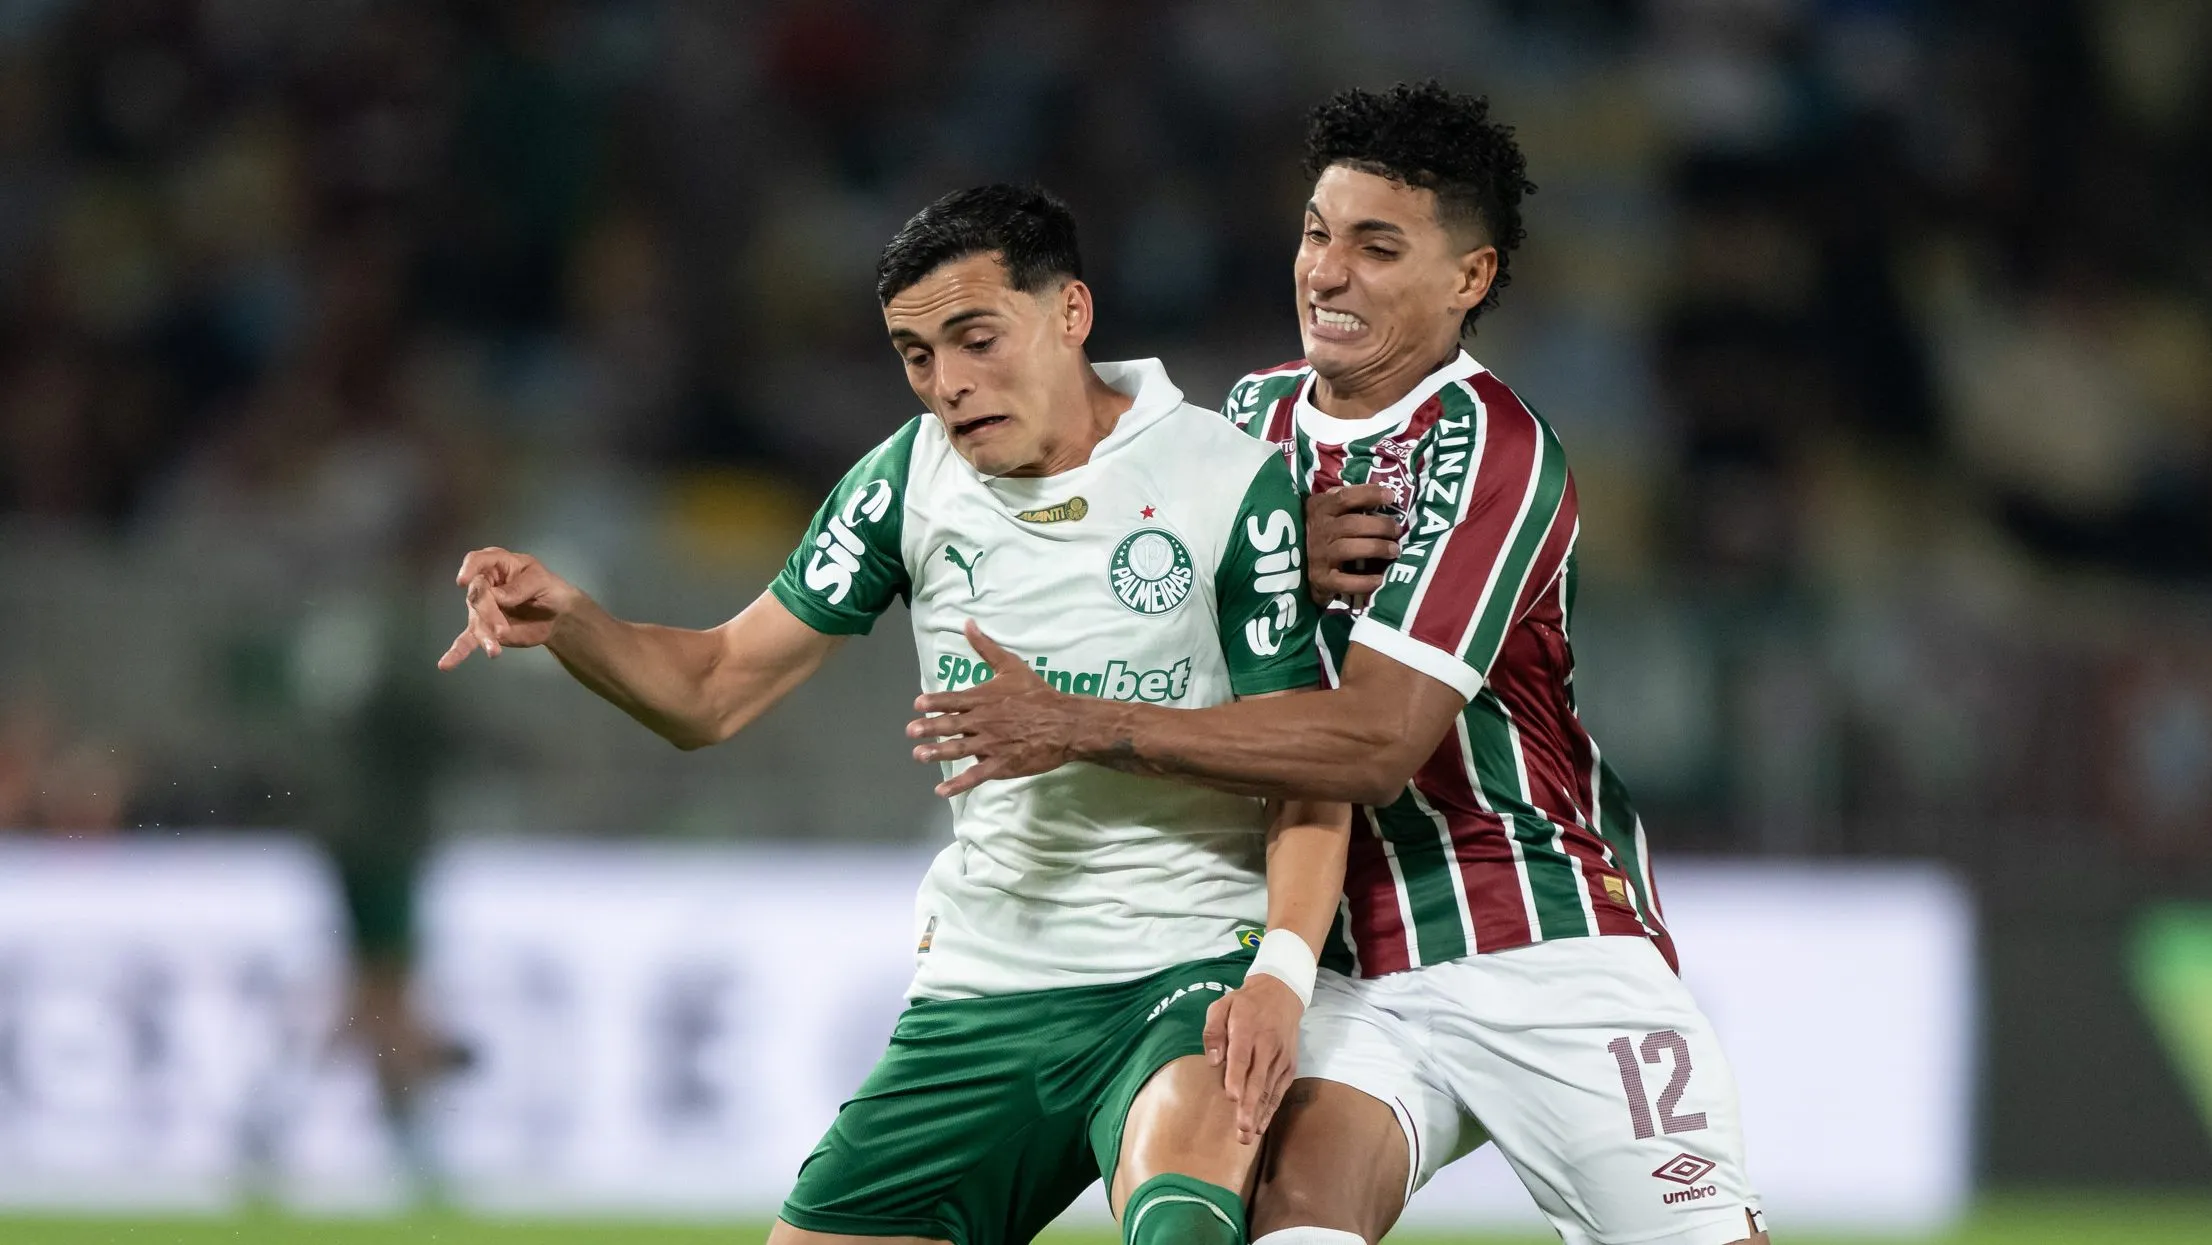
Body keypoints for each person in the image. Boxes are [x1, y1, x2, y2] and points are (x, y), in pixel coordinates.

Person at [907, 87, 1769, 1245]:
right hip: (1335, 961)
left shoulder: (1490, 448)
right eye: (1318, 233)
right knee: (1291, 1228)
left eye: (1377, 246)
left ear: (1467, 279)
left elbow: (1371, 744)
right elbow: (1155, 624)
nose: (1327, 272)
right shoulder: (1248, 424)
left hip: (1538, 939)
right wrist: (1263, 567)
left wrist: (1077, 723)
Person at [437, 183, 1349, 1245]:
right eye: (917, 358)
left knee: (1179, 1228)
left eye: (975, 339)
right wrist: (580, 623)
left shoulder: (1224, 483)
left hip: (1187, 969)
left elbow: (1308, 763)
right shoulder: (905, 484)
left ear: (1071, 313)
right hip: (983, 988)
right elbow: (713, 688)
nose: (948, 387)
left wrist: (1280, 978)